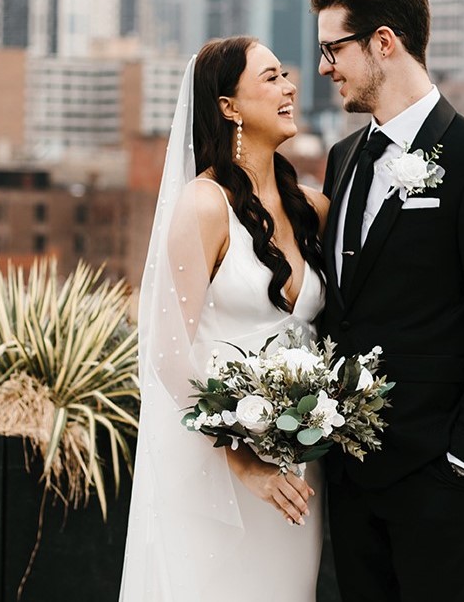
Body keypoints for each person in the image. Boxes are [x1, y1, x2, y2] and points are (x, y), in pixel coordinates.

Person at [311, 0, 464, 602]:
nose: (326, 67)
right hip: (348, 481)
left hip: (435, 481)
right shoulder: (342, 159)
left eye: (334, 49)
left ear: (384, 43)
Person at [119, 36, 330, 601]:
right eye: (270, 77)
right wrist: (243, 460)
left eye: (286, 74)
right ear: (228, 106)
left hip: (298, 472)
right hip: (217, 471)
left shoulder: (315, 209)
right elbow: (165, 353)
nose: (289, 87)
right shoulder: (203, 205)